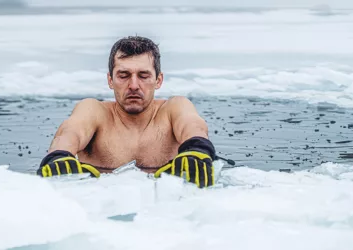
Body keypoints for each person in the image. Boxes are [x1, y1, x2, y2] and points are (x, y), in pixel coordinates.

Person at [37, 36, 227, 188]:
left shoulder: (174, 108)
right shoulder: (94, 111)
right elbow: (70, 132)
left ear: (158, 80)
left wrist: (197, 150)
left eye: (143, 76)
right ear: (110, 80)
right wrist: (59, 155)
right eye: (124, 75)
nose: (134, 85)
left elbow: (193, 126)